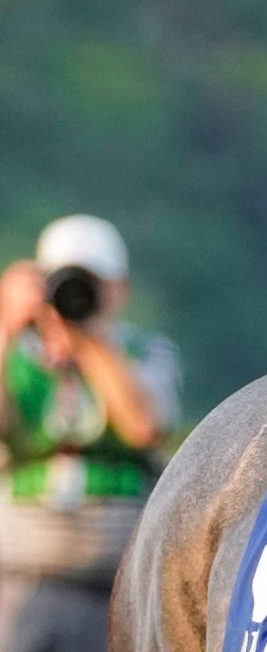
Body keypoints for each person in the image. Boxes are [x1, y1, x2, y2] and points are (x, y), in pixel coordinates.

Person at [0, 215, 181, 652]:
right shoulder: (16, 358)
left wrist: (89, 340)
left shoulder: (146, 353)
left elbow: (142, 426)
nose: (73, 295)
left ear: (119, 290)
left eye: (90, 282)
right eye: (63, 281)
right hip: (20, 579)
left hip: (115, 585)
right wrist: (7, 326)